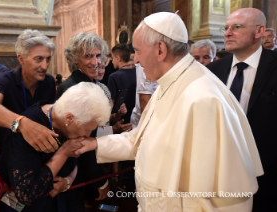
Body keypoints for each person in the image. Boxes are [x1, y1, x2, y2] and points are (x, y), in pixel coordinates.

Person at [75, 12, 263, 211]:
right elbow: (139, 140)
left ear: (160, 50)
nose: (136, 60)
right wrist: (93, 144)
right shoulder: (169, 83)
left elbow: (226, 200)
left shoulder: (203, 98)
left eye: (138, 51)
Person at [0, 82, 111, 211]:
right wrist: (63, 153)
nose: (87, 135)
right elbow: (26, 194)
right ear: (69, 118)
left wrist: (68, 180)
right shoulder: (26, 132)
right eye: (86, 129)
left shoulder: (68, 121)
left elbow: (77, 162)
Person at [207, 8, 277, 211]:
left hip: (268, 173)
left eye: (236, 27)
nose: (227, 33)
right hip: (220, 171)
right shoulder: (213, 70)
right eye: (226, 27)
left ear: (259, 31)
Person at [55, 32, 110, 211]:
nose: (95, 62)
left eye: (98, 55)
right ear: (75, 59)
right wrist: (100, 181)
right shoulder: (76, 88)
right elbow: (79, 143)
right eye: (88, 56)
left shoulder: (87, 83)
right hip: (73, 168)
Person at [0, 29, 58, 157]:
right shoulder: (4, 79)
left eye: (48, 59)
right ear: (21, 59)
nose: (45, 66)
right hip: (8, 153)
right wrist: (21, 124)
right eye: (39, 59)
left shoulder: (49, 81)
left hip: (38, 152)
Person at [130, 63, 158, 129]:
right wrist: (148, 129)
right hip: (146, 123)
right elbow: (144, 100)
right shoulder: (145, 62)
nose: (135, 59)